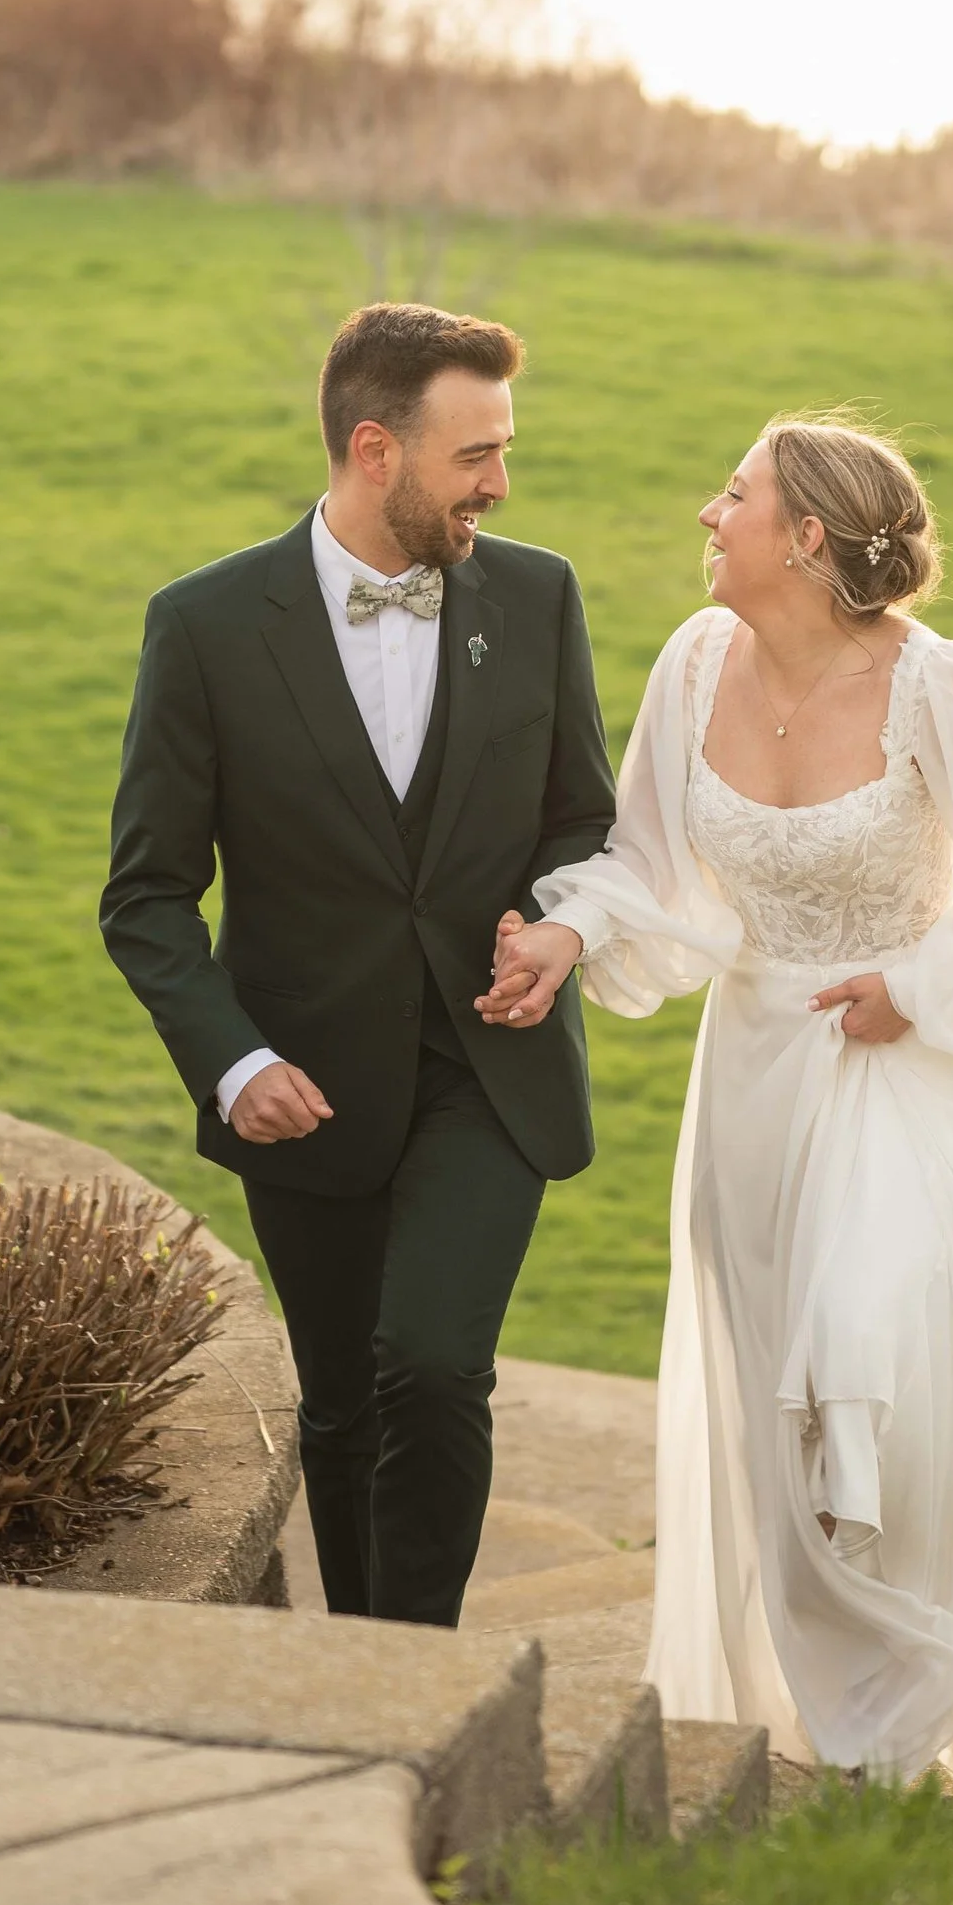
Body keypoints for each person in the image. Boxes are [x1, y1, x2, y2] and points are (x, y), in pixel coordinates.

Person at [487, 415, 953, 1790]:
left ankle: (917, 1697)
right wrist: (566, 933)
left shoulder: (940, 686)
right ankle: (835, 1705)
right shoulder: (694, 662)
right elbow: (653, 865)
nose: (707, 512)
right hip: (757, 1077)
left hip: (906, 1069)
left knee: (895, 1373)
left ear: (804, 537)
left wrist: (923, 983)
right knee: (776, 1390)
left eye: (733, 494)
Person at [101, 303, 615, 1628]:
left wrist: (556, 925)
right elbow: (148, 896)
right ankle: (363, 1668)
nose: (501, 483)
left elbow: (582, 820)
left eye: (504, 449)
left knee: (432, 1366)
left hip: (488, 1066)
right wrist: (235, 1062)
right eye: (475, 455)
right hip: (306, 1083)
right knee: (339, 1403)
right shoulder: (206, 625)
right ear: (376, 450)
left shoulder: (539, 596)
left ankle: (423, 1667)